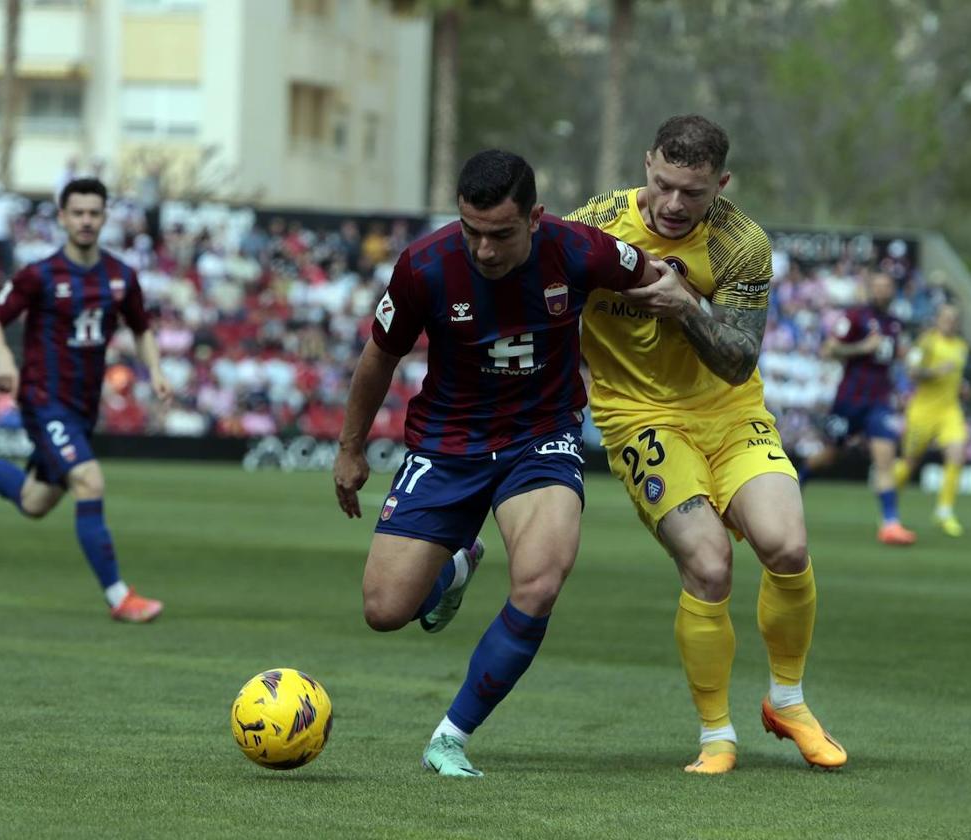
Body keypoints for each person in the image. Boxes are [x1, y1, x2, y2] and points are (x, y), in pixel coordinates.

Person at [333, 149, 673, 777]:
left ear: (536, 218)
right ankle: (456, 566)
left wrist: (699, 319)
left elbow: (657, 275)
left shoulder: (580, 251)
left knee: (540, 580)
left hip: (539, 438)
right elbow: (379, 356)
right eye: (472, 232)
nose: (484, 250)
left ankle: (449, 737)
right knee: (384, 611)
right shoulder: (424, 267)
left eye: (500, 233)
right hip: (446, 442)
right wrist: (352, 447)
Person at [567, 114, 846, 773]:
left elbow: (739, 361)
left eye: (692, 193)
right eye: (663, 184)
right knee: (710, 564)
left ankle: (787, 701)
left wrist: (687, 306)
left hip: (729, 412)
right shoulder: (592, 228)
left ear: (719, 184)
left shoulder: (741, 244)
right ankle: (717, 734)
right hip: (640, 419)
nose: (672, 204)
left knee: (788, 545)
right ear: (646, 166)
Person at [0, 178, 168, 623]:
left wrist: (158, 370)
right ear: (63, 218)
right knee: (89, 482)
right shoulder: (40, 274)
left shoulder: (120, 276)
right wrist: (3, 362)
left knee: (35, 502)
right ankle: (118, 597)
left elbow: (141, 328)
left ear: (105, 217)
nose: (87, 220)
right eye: (78, 213)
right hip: (44, 398)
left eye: (94, 213)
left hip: (82, 407)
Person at [812, 271, 915, 546]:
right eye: (878, 286)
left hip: (879, 401)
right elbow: (830, 350)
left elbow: (894, 361)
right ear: (871, 289)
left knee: (885, 459)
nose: (882, 291)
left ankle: (890, 524)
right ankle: (800, 479)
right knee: (829, 455)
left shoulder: (895, 324)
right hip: (849, 400)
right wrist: (862, 347)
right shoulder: (855, 317)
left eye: (887, 286)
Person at [894, 303, 970, 536]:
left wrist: (961, 387)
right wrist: (935, 372)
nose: (950, 322)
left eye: (954, 318)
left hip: (949, 411)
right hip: (923, 412)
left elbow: (955, 376)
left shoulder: (961, 346)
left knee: (957, 453)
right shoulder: (926, 342)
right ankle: (889, 503)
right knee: (910, 462)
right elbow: (912, 371)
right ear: (938, 319)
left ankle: (944, 511)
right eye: (946, 318)